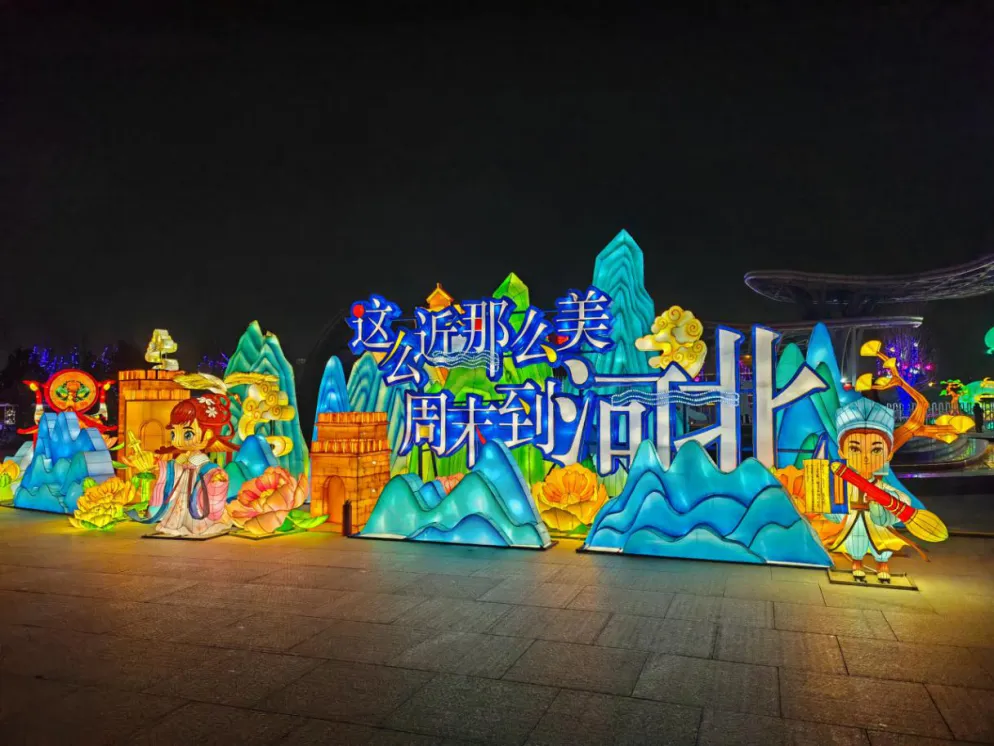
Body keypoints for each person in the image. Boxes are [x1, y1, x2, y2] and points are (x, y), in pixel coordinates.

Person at [821, 399, 915, 582]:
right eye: (854, 449)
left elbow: (902, 502)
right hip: (854, 518)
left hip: (876, 520)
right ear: (842, 452)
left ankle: (882, 564)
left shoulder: (882, 485)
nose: (865, 457)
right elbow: (835, 507)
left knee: (882, 544)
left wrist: (886, 501)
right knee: (855, 542)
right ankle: (857, 562)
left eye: (876, 450)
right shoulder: (845, 482)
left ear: (888, 454)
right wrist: (828, 503)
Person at [131, 394, 234, 538]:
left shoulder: (205, 466)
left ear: (208, 434)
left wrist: (216, 479)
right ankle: (177, 524)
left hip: (196, 498)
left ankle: (199, 524)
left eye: (187, 434)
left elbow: (213, 474)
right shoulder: (181, 460)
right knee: (178, 512)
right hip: (181, 495)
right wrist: (158, 467)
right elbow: (170, 471)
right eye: (174, 434)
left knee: (195, 513)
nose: (178, 441)